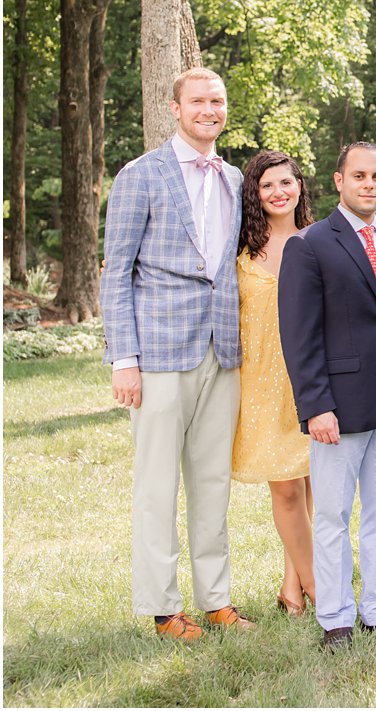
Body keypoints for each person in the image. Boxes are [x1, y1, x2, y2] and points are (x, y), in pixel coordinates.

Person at [101, 67, 253, 641]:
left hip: (223, 350)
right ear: (175, 108)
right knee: (157, 484)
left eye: (217, 100)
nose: (208, 109)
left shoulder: (235, 178)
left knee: (212, 480)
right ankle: (164, 610)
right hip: (159, 351)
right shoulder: (140, 176)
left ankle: (216, 600)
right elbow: (117, 272)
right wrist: (123, 359)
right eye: (197, 101)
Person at [279, 142, 376, 649]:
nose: (369, 184)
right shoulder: (311, 244)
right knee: (334, 516)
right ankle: (334, 619)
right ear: (339, 180)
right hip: (337, 405)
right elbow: (298, 334)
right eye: (359, 175)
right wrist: (316, 406)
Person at [232, 149, 317, 617]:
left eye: (286, 182)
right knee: (285, 488)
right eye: (267, 185)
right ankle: (320, 589)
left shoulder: (319, 241)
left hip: (309, 379)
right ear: (255, 194)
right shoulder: (241, 249)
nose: (278, 192)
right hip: (259, 381)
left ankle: (291, 590)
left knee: (311, 486)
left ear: (299, 186)